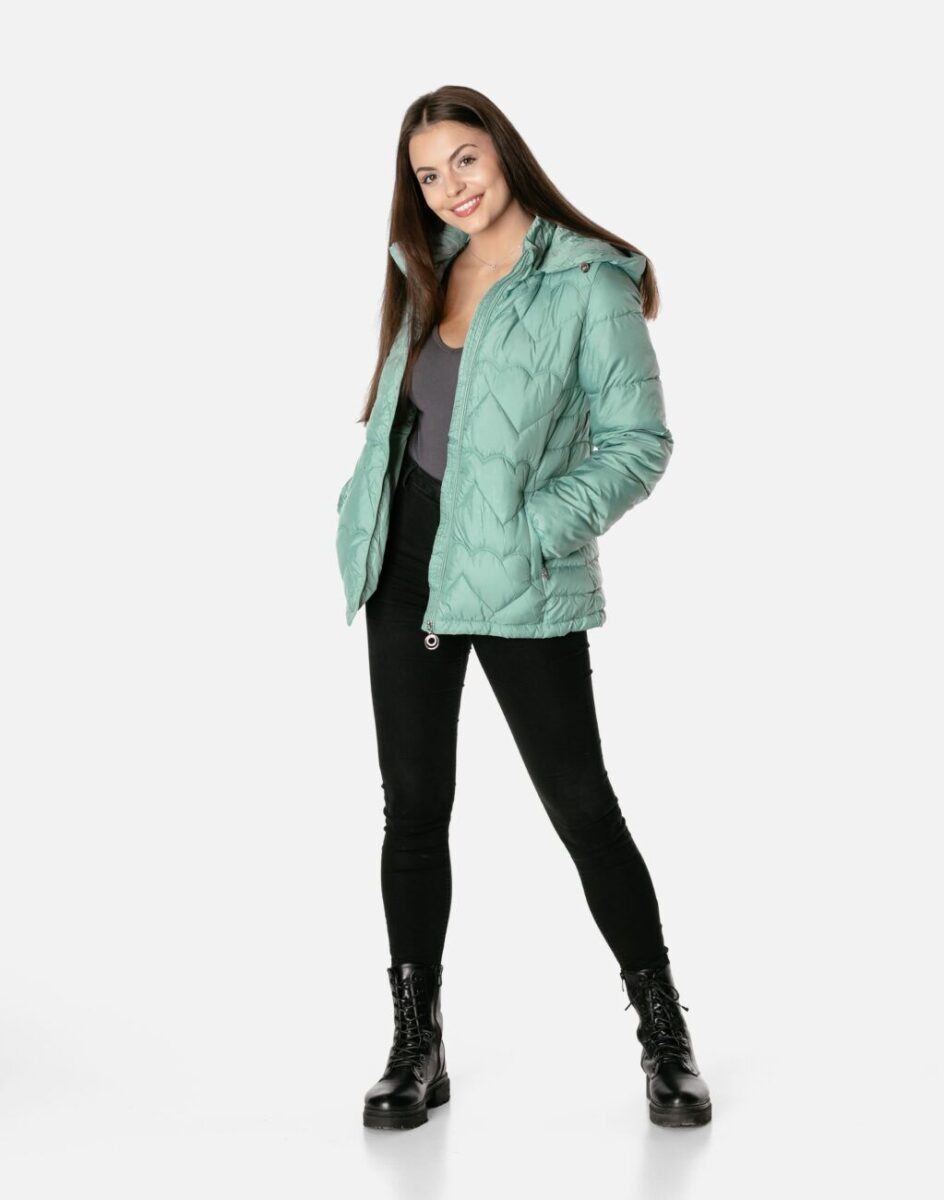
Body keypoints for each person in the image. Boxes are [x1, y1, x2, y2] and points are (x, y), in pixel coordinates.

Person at [335, 85, 711, 1131]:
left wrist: (538, 527)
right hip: (405, 563)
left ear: (503, 152)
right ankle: (416, 1046)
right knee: (413, 811)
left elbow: (639, 444)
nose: (449, 187)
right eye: (427, 174)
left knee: (582, 808)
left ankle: (665, 1037)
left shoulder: (587, 280)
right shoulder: (428, 271)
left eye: (465, 159)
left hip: (517, 575)